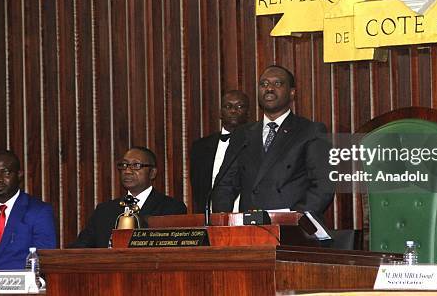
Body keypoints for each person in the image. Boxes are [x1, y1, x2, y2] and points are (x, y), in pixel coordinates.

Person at [212, 65, 333, 218]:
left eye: (277, 84)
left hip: (292, 230)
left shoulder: (310, 131)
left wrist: (294, 218)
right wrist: (224, 222)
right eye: (264, 84)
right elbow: (225, 184)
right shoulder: (243, 134)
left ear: (292, 93)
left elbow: (323, 187)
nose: (269, 88)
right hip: (249, 230)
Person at [71, 147, 187, 248]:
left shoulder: (172, 209)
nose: (127, 171)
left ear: (152, 173)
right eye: (124, 165)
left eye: (136, 165)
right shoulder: (104, 211)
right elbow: (81, 249)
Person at [190, 90, 250, 213]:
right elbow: (198, 188)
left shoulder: (257, 142)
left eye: (239, 106)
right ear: (220, 113)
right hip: (211, 218)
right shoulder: (200, 147)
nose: (233, 110)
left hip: (248, 216)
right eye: (228, 106)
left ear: (248, 112)